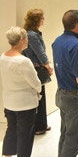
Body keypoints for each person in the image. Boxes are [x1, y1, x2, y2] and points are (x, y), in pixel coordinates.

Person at [52, 10, 78, 157]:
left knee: (66, 134)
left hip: (62, 94)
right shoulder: (77, 46)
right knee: (74, 137)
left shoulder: (58, 41)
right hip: (76, 97)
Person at [0, 26, 42, 157]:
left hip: (9, 101)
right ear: (22, 40)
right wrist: (38, 90)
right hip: (25, 103)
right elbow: (35, 83)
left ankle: (7, 155)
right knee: (25, 135)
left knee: (11, 129)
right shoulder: (24, 61)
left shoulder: (3, 57)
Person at [22, 9, 53, 135]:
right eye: (42, 18)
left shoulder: (32, 34)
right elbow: (40, 53)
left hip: (36, 68)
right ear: (37, 20)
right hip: (37, 69)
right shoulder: (33, 35)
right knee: (38, 97)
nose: (44, 20)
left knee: (40, 96)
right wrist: (48, 66)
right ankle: (39, 126)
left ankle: (41, 124)